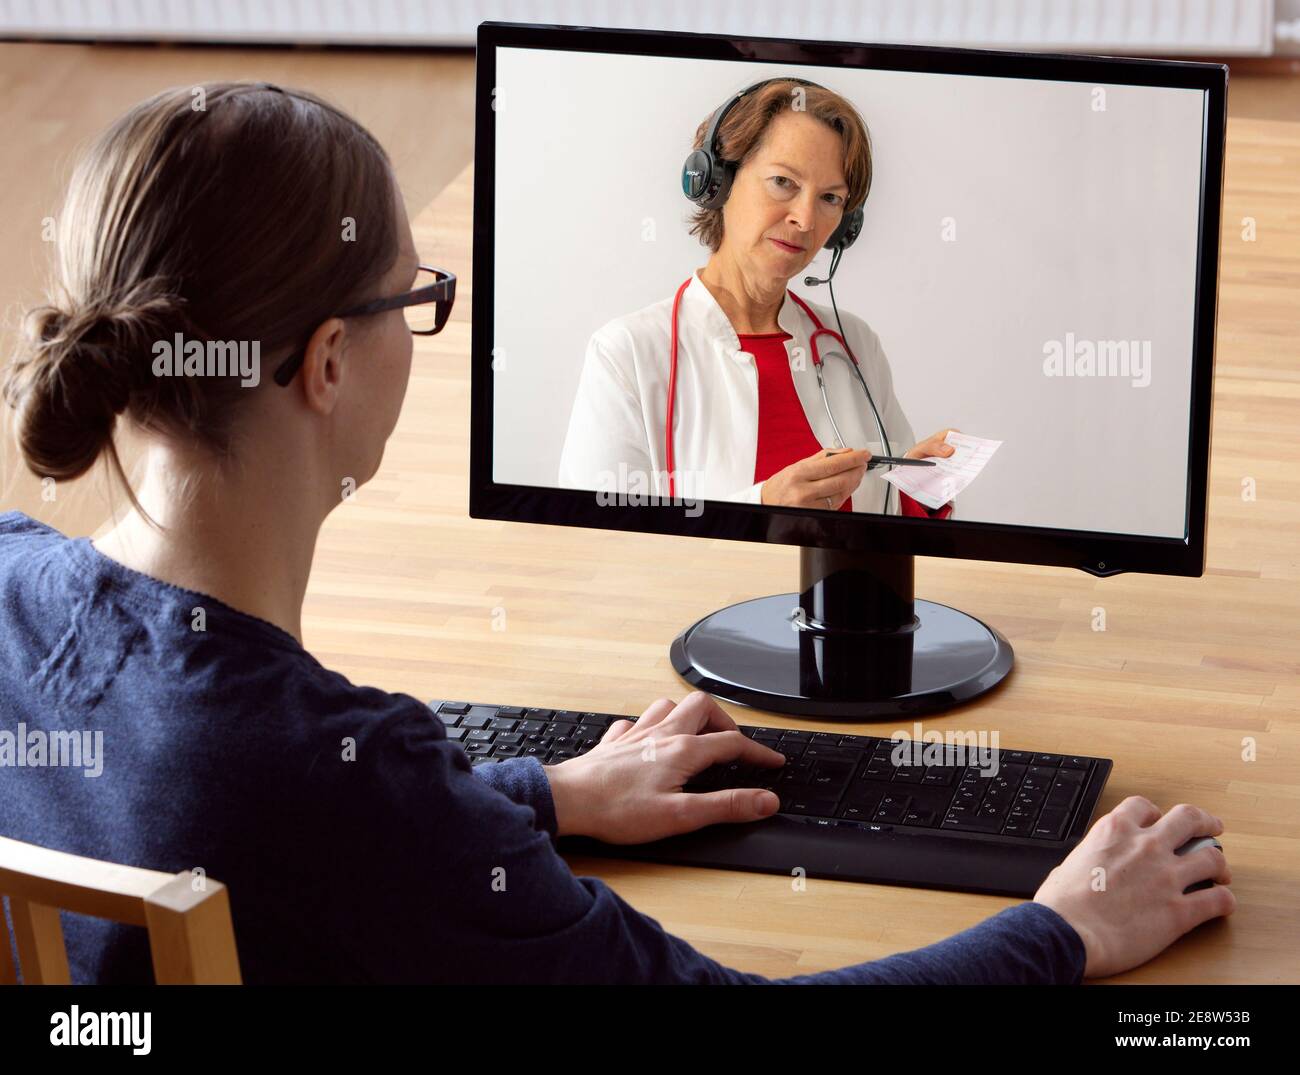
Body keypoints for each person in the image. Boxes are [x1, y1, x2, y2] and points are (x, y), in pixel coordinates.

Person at [0, 81, 1233, 984]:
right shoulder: (354, 785)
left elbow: (300, 831)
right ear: (330, 361)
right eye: (419, 300)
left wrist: (540, 793)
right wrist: (1064, 928)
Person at [558, 77, 958, 517]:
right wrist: (763, 506)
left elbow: (884, 521)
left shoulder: (855, 346)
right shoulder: (628, 352)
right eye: (783, 182)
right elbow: (594, 532)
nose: (805, 219)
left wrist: (918, 494)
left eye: (829, 198)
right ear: (718, 182)